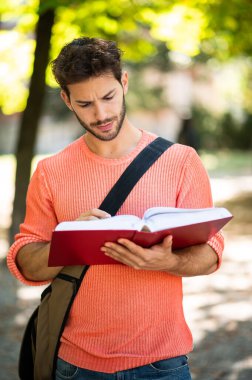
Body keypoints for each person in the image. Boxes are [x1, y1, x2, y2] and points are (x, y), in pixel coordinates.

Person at [7, 37, 224, 380]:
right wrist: (69, 240)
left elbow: (210, 253)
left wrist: (170, 262)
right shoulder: (51, 171)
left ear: (124, 82)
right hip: (76, 365)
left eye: (108, 97)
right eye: (85, 103)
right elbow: (25, 263)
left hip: (162, 363)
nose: (102, 114)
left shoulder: (181, 161)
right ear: (67, 100)